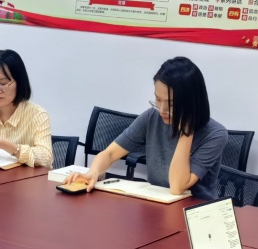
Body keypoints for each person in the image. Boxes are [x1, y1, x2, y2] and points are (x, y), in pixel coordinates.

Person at [65, 56, 226, 197]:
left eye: (170, 104)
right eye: (158, 100)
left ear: (191, 103)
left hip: (195, 212)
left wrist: (186, 130)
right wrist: (93, 172)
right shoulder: (152, 117)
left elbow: (177, 187)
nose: (162, 110)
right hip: (156, 203)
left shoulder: (215, 134)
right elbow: (110, 153)